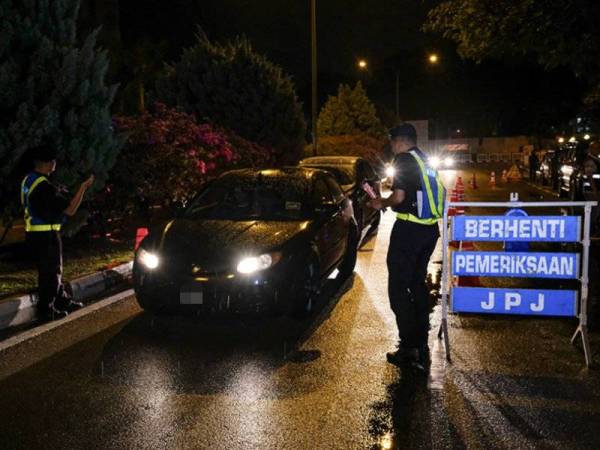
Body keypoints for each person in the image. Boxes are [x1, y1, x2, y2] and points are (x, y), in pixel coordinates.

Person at [367, 123, 445, 371]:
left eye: (391, 142)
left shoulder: (403, 159)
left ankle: (409, 348)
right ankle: (421, 343)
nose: (391, 147)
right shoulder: (424, 160)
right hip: (429, 230)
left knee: (399, 288)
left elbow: (399, 197)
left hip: (409, 232)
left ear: (399, 141)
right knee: (416, 283)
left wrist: (382, 202)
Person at [21, 145, 95, 321]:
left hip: (35, 234)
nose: (55, 164)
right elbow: (70, 210)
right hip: (46, 236)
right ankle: (46, 309)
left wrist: (56, 191)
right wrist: (83, 187)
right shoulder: (44, 186)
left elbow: (40, 204)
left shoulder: (29, 179)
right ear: (46, 163)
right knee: (51, 272)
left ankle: (61, 301)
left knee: (51, 270)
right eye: (53, 161)